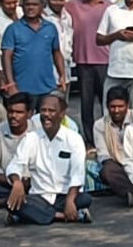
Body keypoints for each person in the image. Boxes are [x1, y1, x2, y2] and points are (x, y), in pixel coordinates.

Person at [5, 92, 93, 225]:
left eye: (51, 111)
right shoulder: (31, 138)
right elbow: (15, 164)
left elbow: (77, 174)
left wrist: (70, 200)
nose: (46, 114)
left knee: (85, 199)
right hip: (40, 196)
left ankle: (33, 216)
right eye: (43, 110)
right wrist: (17, 182)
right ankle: (63, 216)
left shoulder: (73, 138)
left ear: (62, 113)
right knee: (11, 202)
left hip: (66, 195)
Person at [67, 0, 112, 145]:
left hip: (104, 60)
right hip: (82, 60)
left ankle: (108, 138)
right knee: (86, 104)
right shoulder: (73, 5)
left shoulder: (108, 7)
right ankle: (90, 139)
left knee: (106, 102)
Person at [2, 0, 67, 103]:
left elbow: (56, 52)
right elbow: (6, 57)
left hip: (48, 88)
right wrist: (11, 83)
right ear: (22, 7)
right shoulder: (13, 29)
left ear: (42, 6)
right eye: (27, 5)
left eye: (35, 5)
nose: (30, 8)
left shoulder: (50, 28)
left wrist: (62, 76)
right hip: (22, 89)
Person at [93, 86, 133, 198]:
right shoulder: (100, 125)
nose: (116, 110)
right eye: (113, 107)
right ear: (107, 106)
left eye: (120, 106)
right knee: (107, 171)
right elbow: (104, 156)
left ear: (127, 106)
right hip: (117, 166)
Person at [45, 0, 76, 72]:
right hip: (49, 66)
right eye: (54, 0)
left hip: (66, 65)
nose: (57, 3)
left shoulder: (67, 16)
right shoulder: (43, 18)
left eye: (61, 0)